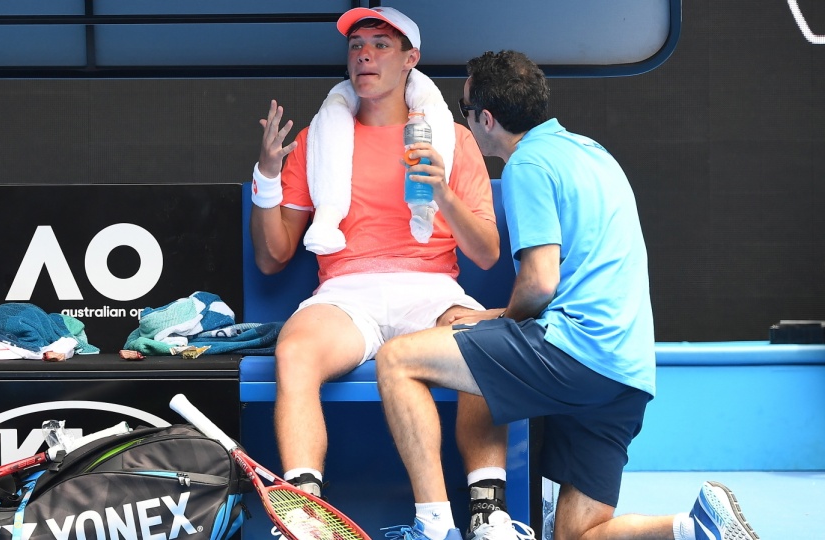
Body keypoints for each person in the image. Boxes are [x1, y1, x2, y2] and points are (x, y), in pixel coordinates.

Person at [375, 50, 761, 540]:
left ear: (485, 119)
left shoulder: (527, 165)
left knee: (397, 359)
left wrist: (500, 320)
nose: (463, 118)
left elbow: (539, 282)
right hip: (628, 372)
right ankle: (695, 526)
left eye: (464, 107)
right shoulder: (592, 152)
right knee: (579, 535)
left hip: (577, 351)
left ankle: (433, 526)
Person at [249, 6, 511, 536]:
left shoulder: (452, 139)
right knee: (295, 349)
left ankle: (488, 514)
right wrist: (268, 175)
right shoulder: (319, 140)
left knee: (483, 340)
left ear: (410, 59)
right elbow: (272, 255)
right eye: (356, 44)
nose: (364, 53)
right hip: (347, 293)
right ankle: (304, 515)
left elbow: (485, 253)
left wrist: (439, 189)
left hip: (432, 288)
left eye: (381, 44)